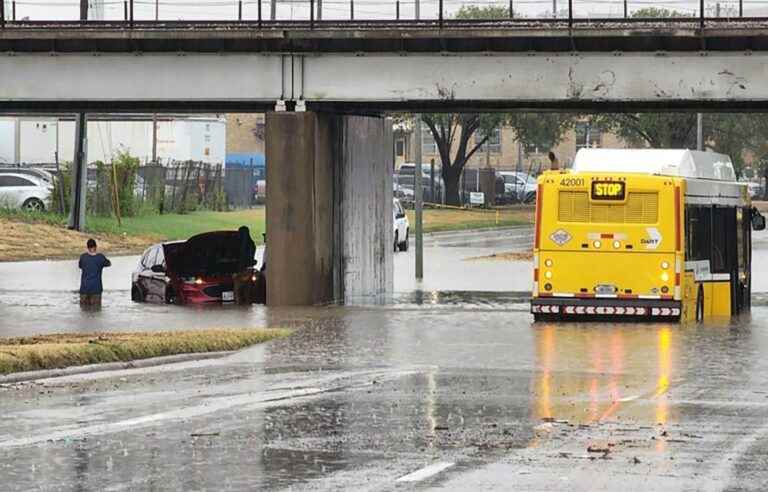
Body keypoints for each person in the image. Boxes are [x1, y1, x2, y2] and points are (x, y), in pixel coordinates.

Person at [78, 238, 111, 307]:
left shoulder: (83, 257)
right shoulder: (100, 257)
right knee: (96, 312)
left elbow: (80, 266)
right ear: (95, 247)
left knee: (84, 313)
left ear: (87, 247)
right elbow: (109, 263)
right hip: (96, 289)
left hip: (84, 289)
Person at [233, 226, 256, 304]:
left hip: (241, 271)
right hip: (250, 271)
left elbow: (241, 260)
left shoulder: (239, 245)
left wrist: (236, 272)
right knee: (248, 292)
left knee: (237, 292)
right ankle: (248, 307)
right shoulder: (252, 244)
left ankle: (240, 308)